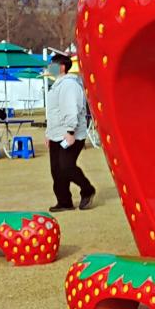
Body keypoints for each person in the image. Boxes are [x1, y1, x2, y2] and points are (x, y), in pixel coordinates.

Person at [45, 53, 96, 212]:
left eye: (52, 65)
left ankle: (87, 190)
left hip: (69, 133)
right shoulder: (56, 86)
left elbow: (71, 109)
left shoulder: (69, 85)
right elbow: (52, 112)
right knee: (56, 170)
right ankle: (64, 201)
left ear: (61, 67)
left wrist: (70, 130)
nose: (49, 68)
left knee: (66, 166)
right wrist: (48, 133)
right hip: (56, 133)